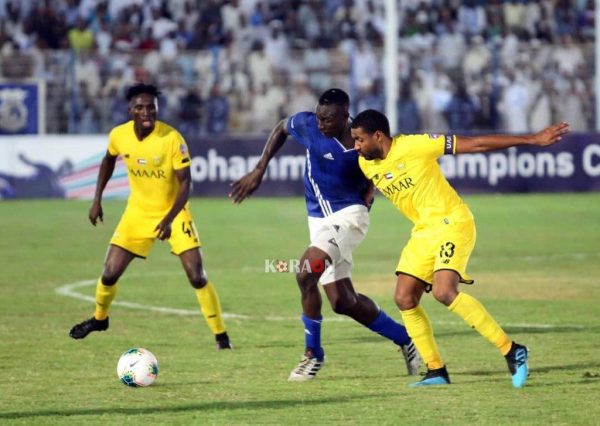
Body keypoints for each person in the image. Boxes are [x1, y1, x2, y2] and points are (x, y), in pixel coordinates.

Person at [350, 109, 570, 388]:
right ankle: (436, 370)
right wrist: (367, 195)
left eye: (359, 140)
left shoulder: (416, 145)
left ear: (378, 136)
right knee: (404, 297)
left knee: (444, 292)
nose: (355, 146)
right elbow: (374, 179)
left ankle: (512, 350)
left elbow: (475, 144)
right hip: (424, 231)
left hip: (452, 222)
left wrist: (531, 139)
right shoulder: (366, 163)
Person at [229, 89, 419, 381]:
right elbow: (282, 127)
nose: (320, 125)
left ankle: (312, 354)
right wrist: (259, 169)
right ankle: (407, 339)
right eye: (318, 117)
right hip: (318, 221)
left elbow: (380, 171)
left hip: (349, 217)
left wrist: (370, 194)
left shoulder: (359, 144)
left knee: (306, 272)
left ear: (345, 116)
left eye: (328, 120)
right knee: (343, 302)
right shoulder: (309, 123)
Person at [69, 83, 232, 350]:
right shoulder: (119, 135)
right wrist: (97, 199)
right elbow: (108, 161)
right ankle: (99, 319)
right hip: (138, 212)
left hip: (174, 213)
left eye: (151, 107)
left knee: (196, 275)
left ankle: (221, 335)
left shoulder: (171, 138)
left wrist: (168, 219)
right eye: (140, 107)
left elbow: (186, 184)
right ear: (130, 109)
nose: (147, 112)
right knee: (109, 274)